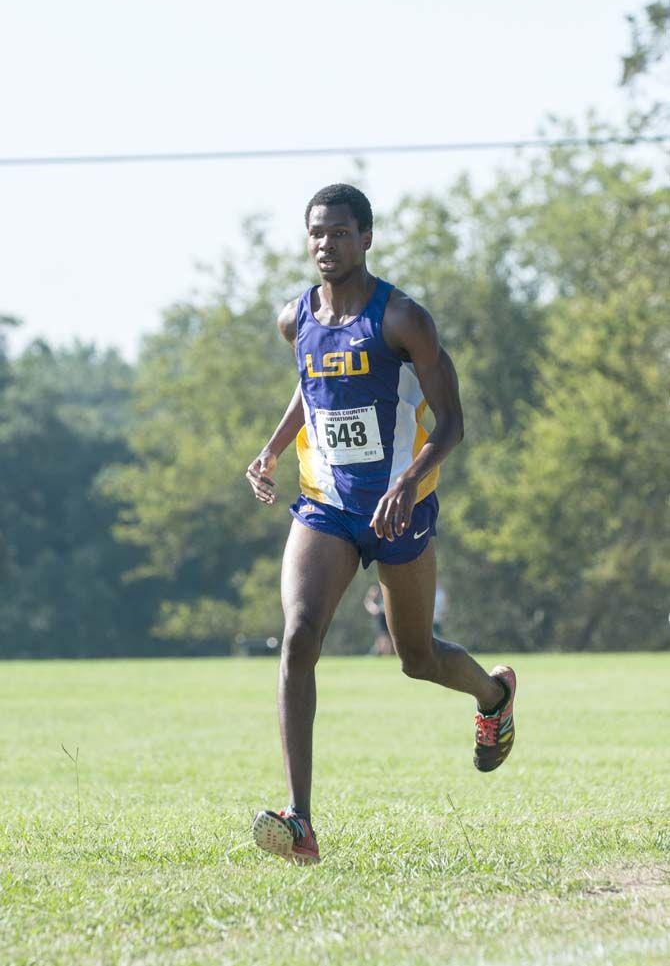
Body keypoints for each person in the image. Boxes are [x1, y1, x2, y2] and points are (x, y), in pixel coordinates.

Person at [246, 184, 516, 864]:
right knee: (299, 636)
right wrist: (274, 449)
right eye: (315, 233)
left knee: (415, 656)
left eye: (338, 233)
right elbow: (313, 388)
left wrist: (407, 480)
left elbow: (451, 421)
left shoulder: (402, 319)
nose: (324, 245)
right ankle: (300, 820)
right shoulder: (294, 319)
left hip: (400, 503)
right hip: (326, 503)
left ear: (366, 239)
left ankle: (494, 695)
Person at [363, 583, 394, 655]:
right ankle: (375, 654)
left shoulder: (384, 603)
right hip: (383, 627)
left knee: (384, 642)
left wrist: (369, 597)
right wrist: (370, 596)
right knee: (383, 642)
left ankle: (376, 654)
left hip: (386, 627)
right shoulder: (381, 605)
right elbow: (371, 607)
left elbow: (372, 607)